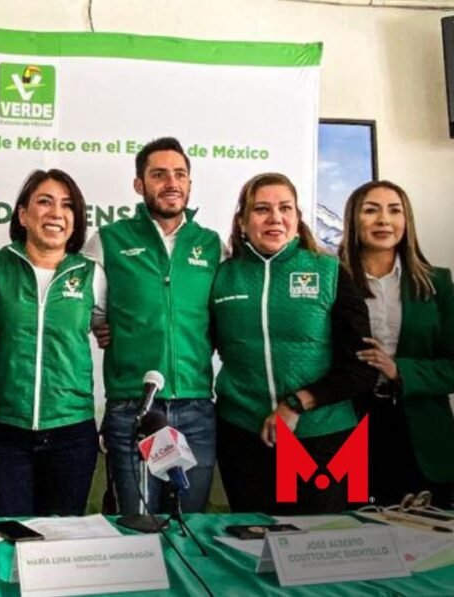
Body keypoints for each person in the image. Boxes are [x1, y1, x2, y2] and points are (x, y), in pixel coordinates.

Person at [212, 172, 376, 514]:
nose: (275, 218)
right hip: (244, 436)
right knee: (253, 539)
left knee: (325, 542)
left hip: (324, 438)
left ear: (298, 218)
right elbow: (191, 336)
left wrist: (296, 404)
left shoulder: (330, 271)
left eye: (285, 208)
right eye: (262, 209)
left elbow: (361, 367)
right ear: (242, 221)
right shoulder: (222, 276)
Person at [83, 137, 220, 516]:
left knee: (189, 525)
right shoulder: (109, 240)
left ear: (189, 183)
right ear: (139, 184)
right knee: (136, 527)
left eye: (180, 174)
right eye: (159, 175)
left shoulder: (212, 245)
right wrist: (102, 325)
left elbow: (224, 316)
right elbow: (85, 308)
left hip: (196, 408)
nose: (171, 183)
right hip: (133, 407)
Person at [0, 169, 105, 517]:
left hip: (72, 433)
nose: (56, 213)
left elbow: (110, 327)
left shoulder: (92, 274)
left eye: (67, 205)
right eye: (45, 202)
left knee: (62, 539)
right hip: (5, 431)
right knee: (7, 533)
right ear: (23, 214)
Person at [339, 181, 454, 509]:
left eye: (394, 210)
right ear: (353, 220)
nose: (384, 220)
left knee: (425, 534)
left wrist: (399, 370)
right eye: (371, 210)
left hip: (422, 432)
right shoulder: (331, 279)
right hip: (349, 424)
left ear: (407, 220)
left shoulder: (437, 283)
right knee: (355, 530)